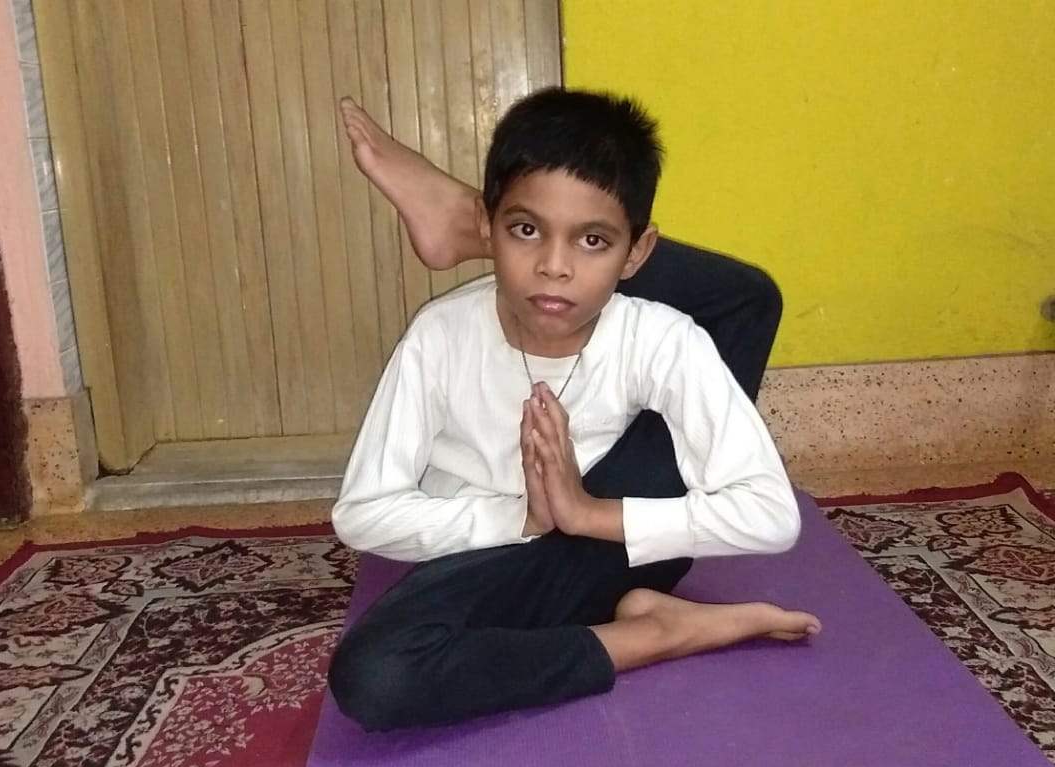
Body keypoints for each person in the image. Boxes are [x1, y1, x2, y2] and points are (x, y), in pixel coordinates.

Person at [329, 88, 819, 732]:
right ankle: (653, 633)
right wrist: (526, 516)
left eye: (592, 240)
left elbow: (771, 517)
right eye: (525, 230)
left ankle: (490, 224)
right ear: (492, 225)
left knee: (747, 301)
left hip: (618, 547)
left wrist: (586, 512)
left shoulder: (661, 337)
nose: (554, 267)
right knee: (376, 675)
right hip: (500, 555)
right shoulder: (440, 335)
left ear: (638, 253)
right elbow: (363, 513)